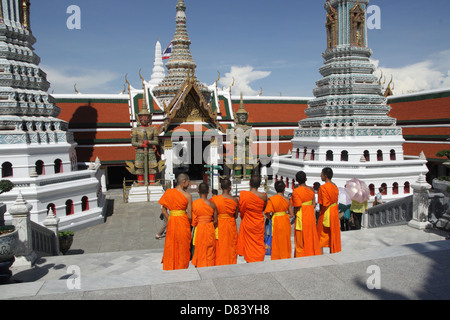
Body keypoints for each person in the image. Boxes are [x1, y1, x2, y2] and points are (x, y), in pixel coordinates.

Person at [159, 173, 193, 271]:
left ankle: (171, 265)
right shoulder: (187, 196)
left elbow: (164, 210)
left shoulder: (168, 192)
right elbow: (190, 216)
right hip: (183, 221)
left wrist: (170, 218)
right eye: (188, 182)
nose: (189, 184)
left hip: (172, 221)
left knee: (172, 244)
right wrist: (188, 222)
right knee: (183, 245)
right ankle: (182, 265)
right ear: (184, 182)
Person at [237, 175, 268, 263]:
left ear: (249, 183)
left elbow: (241, 209)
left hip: (248, 221)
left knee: (249, 243)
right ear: (259, 185)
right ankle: (259, 258)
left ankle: (249, 260)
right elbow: (264, 208)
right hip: (258, 221)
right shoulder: (264, 196)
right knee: (259, 241)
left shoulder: (244, 195)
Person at [290, 171, 321, 257]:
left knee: (300, 236)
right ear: (306, 179)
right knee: (310, 234)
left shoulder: (296, 191)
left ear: (296, 180)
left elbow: (296, 205)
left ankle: (301, 254)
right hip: (310, 214)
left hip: (301, 214)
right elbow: (314, 204)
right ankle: (311, 251)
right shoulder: (311, 189)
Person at [211, 178, 239, 266]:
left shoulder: (215, 199)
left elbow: (213, 214)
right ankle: (231, 261)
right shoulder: (235, 200)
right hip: (231, 224)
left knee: (220, 244)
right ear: (230, 187)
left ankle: (220, 262)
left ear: (220, 187)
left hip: (219, 224)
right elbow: (236, 215)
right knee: (231, 244)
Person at [264, 181, 293, 260]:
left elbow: (266, 213)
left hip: (275, 220)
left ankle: (276, 256)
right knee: (285, 239)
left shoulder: (272, 200)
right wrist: (283, 215)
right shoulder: (287, 200)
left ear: (275, 189)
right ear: (284, 189)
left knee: (276, 239)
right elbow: (291, 214)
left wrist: (272, 217)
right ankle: (285, 255)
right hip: (285, 220)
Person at [191, 183, 218, 268]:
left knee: (199, 248)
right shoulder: (212, 204)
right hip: (209, 228)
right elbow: (216, 221)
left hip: (199, 228)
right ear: (208, 191)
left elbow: (193, 221)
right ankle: (210, 265)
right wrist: (209, 224)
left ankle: (199, 265)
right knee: (210, 249)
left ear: (198, 191)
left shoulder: (194, 204)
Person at [316, 167, 341, 254]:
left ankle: (320, 253)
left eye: (321, 175)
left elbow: (321, 203)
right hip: (334, 210)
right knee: (333, 232)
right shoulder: (335, 186)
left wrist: (320, 213)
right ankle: (333, 251)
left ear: (325, 176)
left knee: (320, 233)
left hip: (326, 211)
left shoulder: (322, 188)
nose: (320, 176)